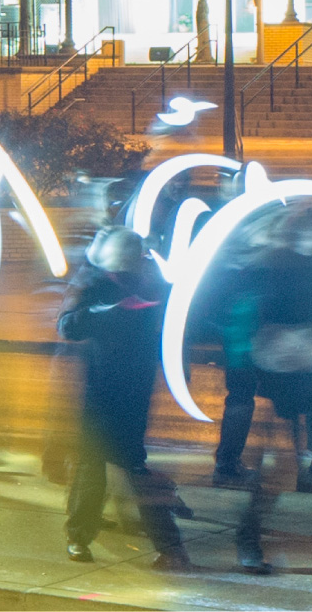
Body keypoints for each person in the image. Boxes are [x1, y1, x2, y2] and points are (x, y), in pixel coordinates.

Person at [222, 205, 312, 579]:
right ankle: (249, 539)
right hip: (285, 377)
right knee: (282, 467)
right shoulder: (270, 270)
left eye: (309, 232)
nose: (303, 239)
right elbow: (257, 325)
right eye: (297, 232)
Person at [57, 226, 188, 569]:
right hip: (102, 389)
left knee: (128, 464)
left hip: (131, 388)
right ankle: (80, 536)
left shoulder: (152, 284)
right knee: (94, 465)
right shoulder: (95, 284)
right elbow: (69, 326)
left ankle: (168, 546)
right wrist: (110, 310)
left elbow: (175, 324)